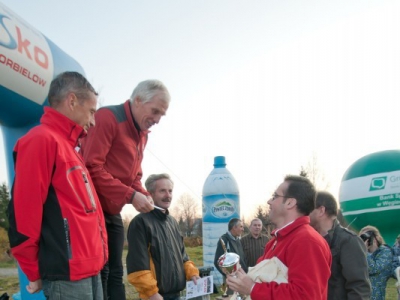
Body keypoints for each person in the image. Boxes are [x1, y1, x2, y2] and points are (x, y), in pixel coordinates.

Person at [7, 72, 108, 299]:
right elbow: (24, 212)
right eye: (91, 111)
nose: (93, 121)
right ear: (71, 101)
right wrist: (33, 271)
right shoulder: (41, 140)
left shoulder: (70, 148)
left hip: (89, 268)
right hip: (67, 273)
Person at [80, 79, 170, 300]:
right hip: (92, 211)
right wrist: (131, 195)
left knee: (115, 273)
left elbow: (134, 176)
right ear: (138, 100)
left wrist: (143, 193)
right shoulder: (107, 118)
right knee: (101, 273)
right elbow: (91, 167)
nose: (157, 120)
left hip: (113, 211)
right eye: (155, 111)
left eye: (162, 115)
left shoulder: (142, 134)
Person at [226, 175, 332, 299]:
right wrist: (241, 279)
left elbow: (305, 296)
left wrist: (253, 288)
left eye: (275, 196)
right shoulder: (275, 242)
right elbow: (263, 280)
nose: (269, 201)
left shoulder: (307, 241)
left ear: (290, 203)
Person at [126, 173, 200, 300]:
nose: (168, 196)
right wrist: (152, 293)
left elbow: (183, 256)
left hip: (177, 295)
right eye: (162, 191)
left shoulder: (173, 222)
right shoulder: (140, 223)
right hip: (155, 297)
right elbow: (137, 266)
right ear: (150, 194)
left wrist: (192, 273)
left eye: (170, 191)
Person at [309, 191, 371, 299]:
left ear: (321, 211)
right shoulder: (311, 240)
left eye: (308, 209)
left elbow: (359, 288)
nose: (304, 213)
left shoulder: (348, 241)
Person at [214, 218, 248, 296]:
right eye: (241, 227)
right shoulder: (224, 240)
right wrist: (228, 275)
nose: (243, 229)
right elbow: (217, 261)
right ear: (234, 228)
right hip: (231, 280)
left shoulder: (238, 239)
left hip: (241, 277)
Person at [359, 225, 393, 300]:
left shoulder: (385, 252)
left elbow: (373, 269)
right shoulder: (362, 252)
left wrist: (365, 251)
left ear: (375, 238)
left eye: (367, 237)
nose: (365, 240)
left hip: (376, 296)